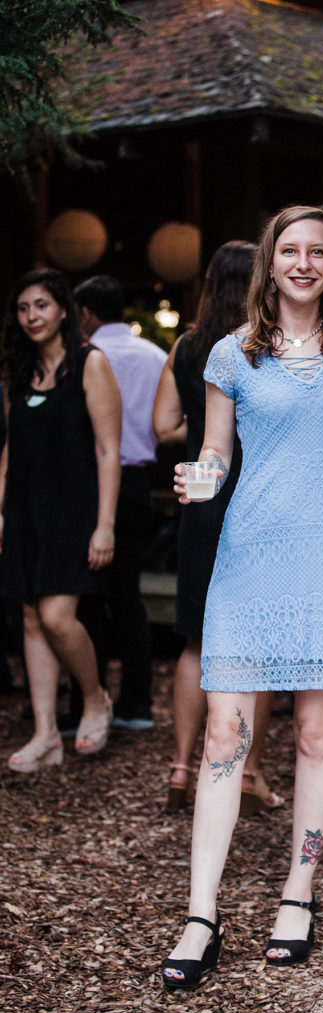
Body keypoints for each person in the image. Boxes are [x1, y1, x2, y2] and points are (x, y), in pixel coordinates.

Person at [161, 205, 323, 988]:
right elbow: (215, 453)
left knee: (317, 737)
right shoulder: (230, 354)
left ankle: (297, 895)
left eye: (318, 252)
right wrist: (197, 479)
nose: (303, 263)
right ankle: (200, 912)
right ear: (269, 264)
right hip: (248, 558)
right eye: (290, 251)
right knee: (223, 738)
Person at [153, 241, 282, 814]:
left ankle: (182, 766)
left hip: (203, 499)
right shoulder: (264, 345)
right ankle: (249, 773)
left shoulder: (187, 346)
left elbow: (162, 426)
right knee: (256, 643)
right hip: (257, 500)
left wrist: (196, 425)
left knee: (195, 640)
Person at [0, 269, 120, 771]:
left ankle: (94, 696)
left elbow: (109, 449)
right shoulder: (17, 371)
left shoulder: (90, 363)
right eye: (24, 308)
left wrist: (105, 523)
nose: (32, 317)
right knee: (30, 617)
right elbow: (9, 449)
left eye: (42, 306)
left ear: (64, 310)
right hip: (25, 509)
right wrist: (1, 512)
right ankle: (46, 733)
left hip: (73, 509)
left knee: (56, 615)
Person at [73, 275, 166, 731]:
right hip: (135, 484)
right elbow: (172, 421)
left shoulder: (83, 358)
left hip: (90, 482)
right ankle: (137, 705)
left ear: (85, 314)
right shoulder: (156, 356)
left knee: (85, 596)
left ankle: (86, 701)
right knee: (128, 596)